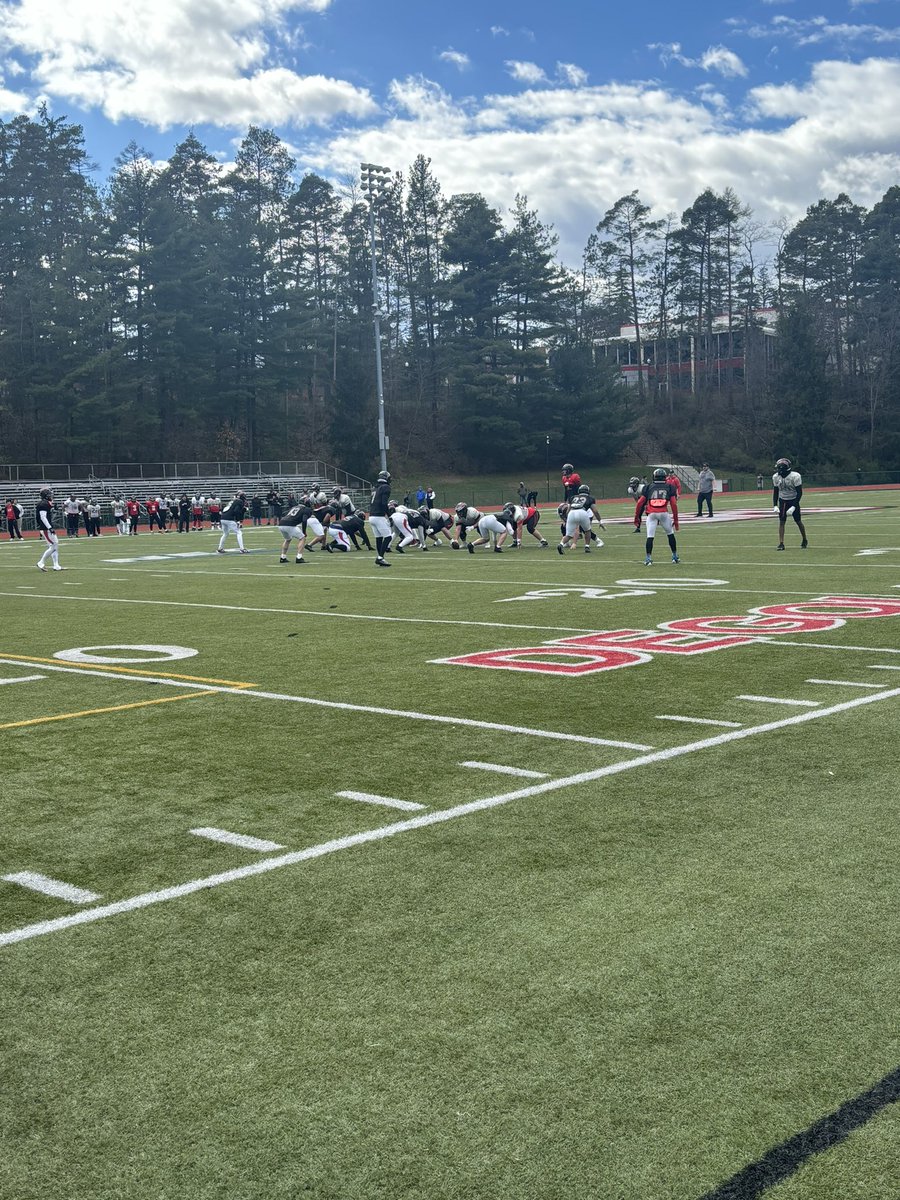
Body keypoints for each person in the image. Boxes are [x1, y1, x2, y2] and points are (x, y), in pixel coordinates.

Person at [634, 468, 680, 566]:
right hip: (663, 513)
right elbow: (673, 504)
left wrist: (636, 517)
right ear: (664, 477)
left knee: (650, 536)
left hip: (652, 514)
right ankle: (674, 556)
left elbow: (639, 503)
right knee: (670, 534)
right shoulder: (670, 487)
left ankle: (648, 558)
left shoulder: (648, 487)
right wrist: (676, 520)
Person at [773, 458, 809, 551]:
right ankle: (781, 543)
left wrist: (794, 506)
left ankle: (804, 539)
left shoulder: (795, 476)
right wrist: (775, 505)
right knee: (781, 521)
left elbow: (799, 493)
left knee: (798, 521)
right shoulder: (776, 477)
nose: (778, 470)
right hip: (783, 500)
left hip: (793, 500)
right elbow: (776, 492)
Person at [558, 485, 604, 554]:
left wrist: (567, 519)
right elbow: (595, 511)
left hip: (572, 513)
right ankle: (587, 546)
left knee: (569, 535)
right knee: (587, 531)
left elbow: (568, 510)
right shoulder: (590, 498)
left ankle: (561, 544)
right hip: (582, 512)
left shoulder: (573, 497)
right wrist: (600, 521)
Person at [35, 489, 64, 571]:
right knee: (53, 545)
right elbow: (43, 517)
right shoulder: (43, 504)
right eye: (49, 495)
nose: (51, 496)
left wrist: (54, 507)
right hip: (45, 528)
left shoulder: (46, 503)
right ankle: (41, 562)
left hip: (47, 527)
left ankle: (56, 565)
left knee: (55, 545)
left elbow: (48, 512)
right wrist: (49, 527)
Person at [369, 470, 393, 567]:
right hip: (378, 516)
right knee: (388, 537)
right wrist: (389, 515)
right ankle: (380, 558)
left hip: (371, 516)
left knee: (379, 538)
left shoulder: (375, 487)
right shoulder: (385, 487)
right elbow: (383, 503)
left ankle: (380, 557)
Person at [277, 498, 312, 563]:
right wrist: (304, 532)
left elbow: (286, 514)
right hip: (290, 524)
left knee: (288, 539)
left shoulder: (294, 507)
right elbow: (304, 520)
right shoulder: (306, 509)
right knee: (302, 538)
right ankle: (299, 557)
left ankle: (283, 557)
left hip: (281, 523)